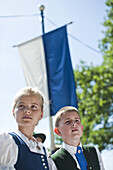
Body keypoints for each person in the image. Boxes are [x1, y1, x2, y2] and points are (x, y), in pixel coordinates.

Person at [0, 86, 56, 170]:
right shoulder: (8, 141)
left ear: (41, 114)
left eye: (33, 107)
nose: (27, 110)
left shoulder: (42, 149)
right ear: (13, 112)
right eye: (21, 106)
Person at [51, 106, 105, 170]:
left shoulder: (94, 151)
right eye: (67, 122)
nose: (74, 124)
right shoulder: (54, 160)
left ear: (81, 128)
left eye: (77, 120)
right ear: (58, 131)